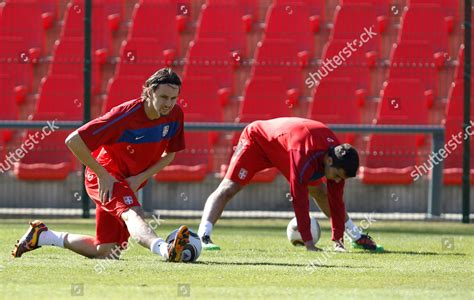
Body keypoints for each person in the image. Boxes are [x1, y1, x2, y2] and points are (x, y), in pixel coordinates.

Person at [12, 68, 191, 262]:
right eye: (163, 97)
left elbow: (169, 155)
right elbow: (73, 140)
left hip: (128, 181)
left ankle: (43, 236)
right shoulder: (124, 115)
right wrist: (103, 174)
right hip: (107, 177)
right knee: (133, 213)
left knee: (106, 251)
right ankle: (166, 250)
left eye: (173, 98)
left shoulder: (175, 115)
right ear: (149, 91)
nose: (168, 104)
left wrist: (139, 178)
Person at [198, 117, 383, 252]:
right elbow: (299, 199)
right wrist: (309, 244)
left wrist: (338, 241)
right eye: (336, 175)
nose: (336, 180)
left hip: (285, 148)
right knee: (229, 188)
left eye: (340, 178)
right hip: (257, 141)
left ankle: (355, 236)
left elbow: (336, 200)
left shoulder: (338, 159)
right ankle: (203, 236)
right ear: (328, 160)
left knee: (321, 191)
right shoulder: (304, 154)